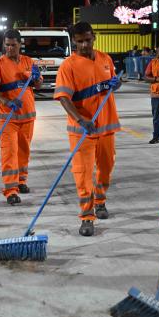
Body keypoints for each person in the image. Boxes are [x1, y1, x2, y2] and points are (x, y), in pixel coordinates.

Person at [54, 21, 121, 236]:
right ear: (73, 41)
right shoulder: (68, 65)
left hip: (106, 127)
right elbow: (64, 97)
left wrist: (115, 83)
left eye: (87, 40)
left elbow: (112, 81)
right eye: (79, 41)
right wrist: (81, 120)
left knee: (106, 168)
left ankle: (100, 201)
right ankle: (86, 216)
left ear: (94, 37)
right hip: (82, 130)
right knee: (83, 174)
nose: (84, 45)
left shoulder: (105, 59)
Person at [0, 29, 43, 205]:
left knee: (24, 151)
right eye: (7, 45)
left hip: (27, 116)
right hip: (8, 117)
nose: (10, 48)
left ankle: (21, 181)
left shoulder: (28, 61)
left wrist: (36, 79)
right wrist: (6, 101)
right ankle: (10, 189)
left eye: (13, 45)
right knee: (9, 152)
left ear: (20, 44)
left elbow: (38, 86)